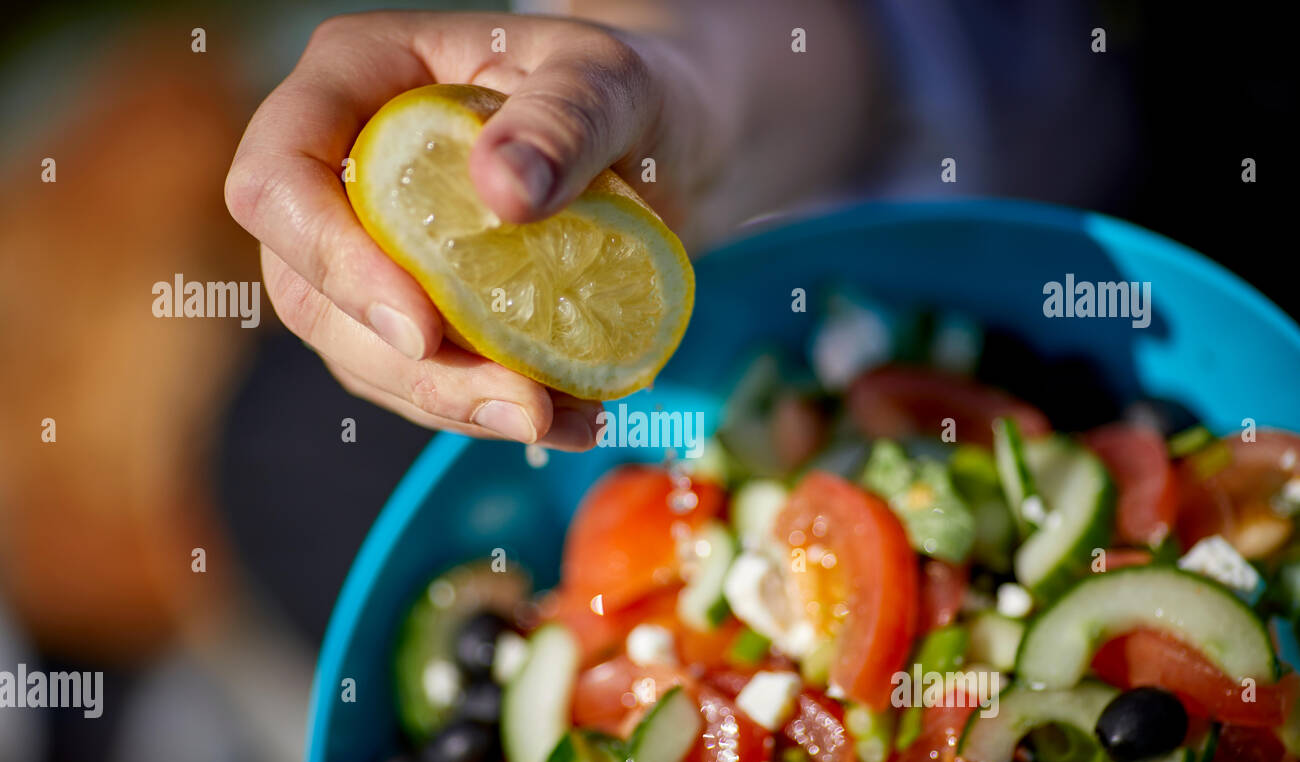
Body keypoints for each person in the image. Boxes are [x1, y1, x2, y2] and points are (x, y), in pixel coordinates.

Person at [225, 1, 1131, 450]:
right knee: (266, 446)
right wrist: (657, 99)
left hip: (1080, 183)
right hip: (768, 207)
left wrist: (668, 86)